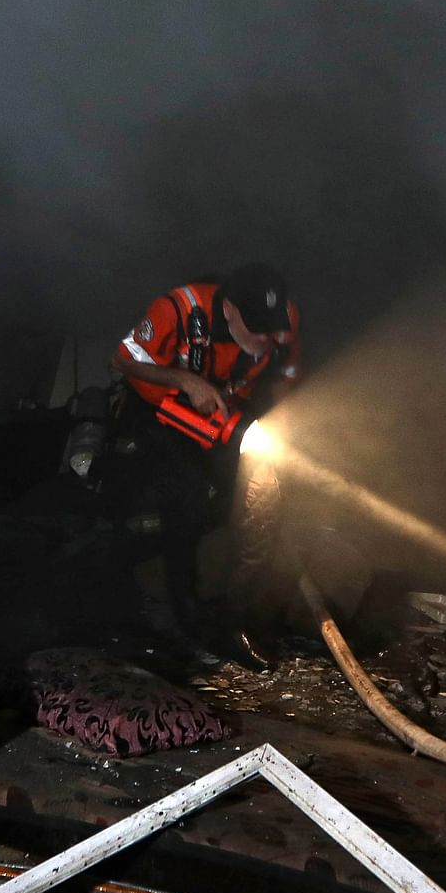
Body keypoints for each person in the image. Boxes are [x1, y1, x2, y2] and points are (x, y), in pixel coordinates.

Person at [104, 262, 303, 626]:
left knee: (252, 493)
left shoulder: (284, 321)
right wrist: (184, 380)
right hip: (159, 408)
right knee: (187, 492)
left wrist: (280, 422)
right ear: (228, 309)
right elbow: (121, 358)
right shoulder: (179, 309)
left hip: (225, 413)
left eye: (271, 328)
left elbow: (284, 376)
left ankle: (239, 608)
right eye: (255, 327)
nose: (266, 338)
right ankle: (183, 603)